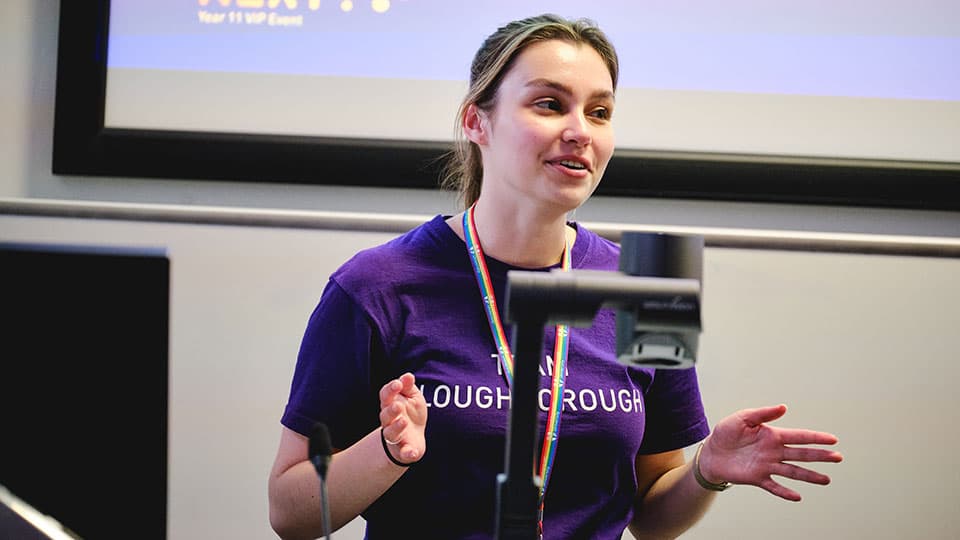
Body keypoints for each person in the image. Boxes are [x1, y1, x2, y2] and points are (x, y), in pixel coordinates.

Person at [268, 13, 843, 540]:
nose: (580, 131)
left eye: (599, 112)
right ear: (477, 121)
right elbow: (289, 512)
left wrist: (706, 471)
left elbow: (652, 517)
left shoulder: (648, 286)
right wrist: (387, 453)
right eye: (549, 104)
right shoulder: (377, 285)